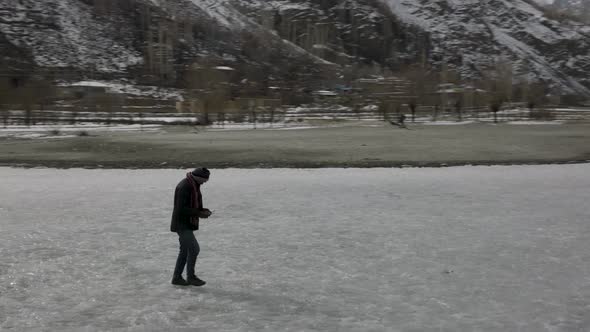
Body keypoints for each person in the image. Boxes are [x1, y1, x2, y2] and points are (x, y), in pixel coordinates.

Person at [170, 167, 212, 286]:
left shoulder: (194, 184)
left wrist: (203, 210)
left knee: (185, 250)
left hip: (186, 223)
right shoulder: (185, 186)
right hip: (181, 224)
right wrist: (199, 214)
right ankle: (191, 277)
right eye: (204, 180)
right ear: (199, 178)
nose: (204, 182)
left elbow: (194, 205)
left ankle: (177, 277)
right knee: (194, 249)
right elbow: (181, 209)